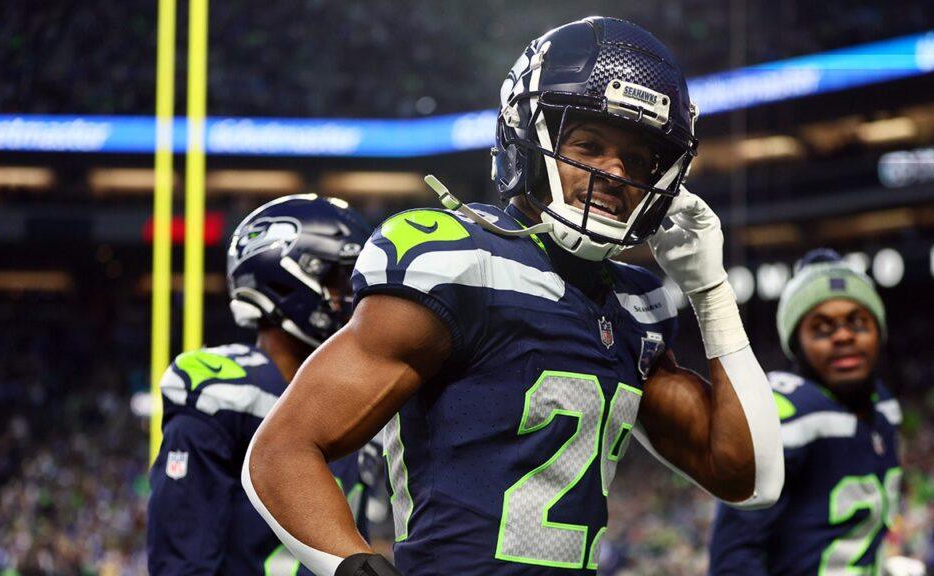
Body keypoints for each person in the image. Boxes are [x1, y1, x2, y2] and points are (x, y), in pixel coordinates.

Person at [243, 16, 784, 576]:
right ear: (528, 136)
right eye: (590, 145)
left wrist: (710, 291)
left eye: (639, 160)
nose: (615, 173)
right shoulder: (460, 262)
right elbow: (282, 450)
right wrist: (354, 566)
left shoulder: (635, 306)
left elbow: (751, 479)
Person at [147, 195, 380, 575]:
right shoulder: (224, 391)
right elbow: (184, 562)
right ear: (286, 279)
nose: (354, 300)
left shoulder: (363, 398)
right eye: (341, 282)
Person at [709, 248, 922, 575]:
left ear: (879, 332)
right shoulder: (786, 412)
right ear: (797, 343)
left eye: (858, 322)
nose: (843, 336)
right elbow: (733, 557)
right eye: (822, 328)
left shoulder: (882, 404)